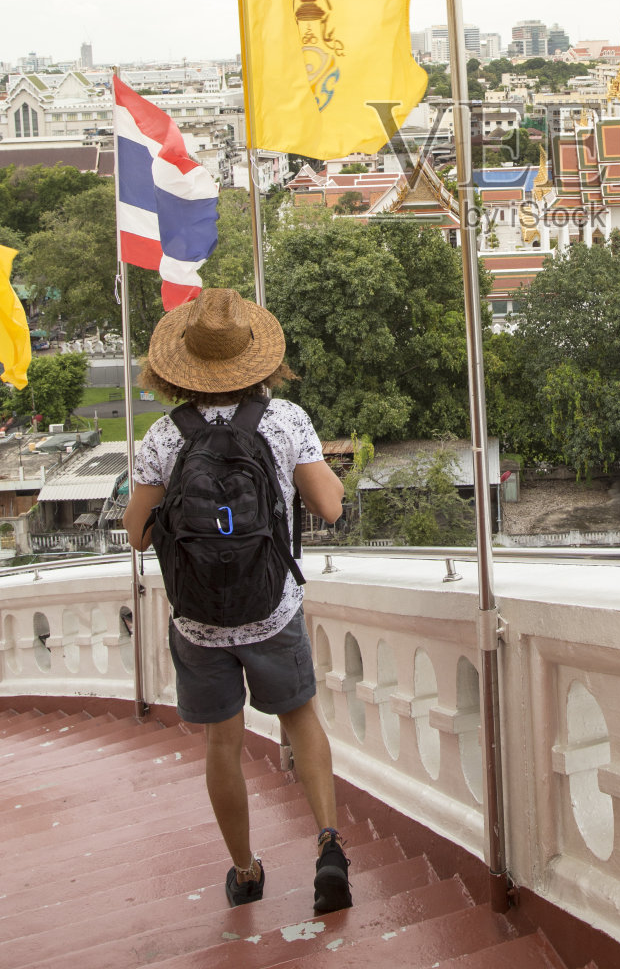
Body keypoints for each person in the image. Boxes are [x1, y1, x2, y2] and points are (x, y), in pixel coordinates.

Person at [123, 287, 351, 914]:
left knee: (222, 743)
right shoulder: (285, 421)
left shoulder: (163, 438)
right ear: (259, 358)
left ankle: (246, 871)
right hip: (271, 608)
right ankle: (329, 847)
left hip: (198, 623)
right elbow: (329, 507)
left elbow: (138, 535)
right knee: (300, 719)